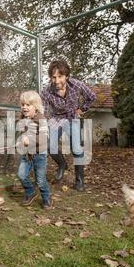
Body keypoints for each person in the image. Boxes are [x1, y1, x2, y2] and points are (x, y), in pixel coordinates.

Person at [41, 59, 96, 191]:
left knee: (77, 149)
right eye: (53, 77)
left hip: (73, 118)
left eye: (60, 76)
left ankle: (79, 181)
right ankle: (62, 164)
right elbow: (42, 111)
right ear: (50, 78)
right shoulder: (46, 91)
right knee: (49, 146)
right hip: (56, 119)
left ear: (66, 76)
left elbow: (92, 96)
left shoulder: (76, 84)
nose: (57, 80)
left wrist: (82, 109)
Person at [17, 90, 53, 209]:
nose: (24, 107)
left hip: (39, 154)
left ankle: (46, 197)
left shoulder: (41, 119)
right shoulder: (23, 118)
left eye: (28, 105)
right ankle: (31, 192)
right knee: (22, 175)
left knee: (40, 180)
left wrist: (30, 140)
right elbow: (23, 134)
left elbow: (44, 137)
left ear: (35, 106)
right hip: (27, 153)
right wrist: (21, 139)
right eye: (23, 105)